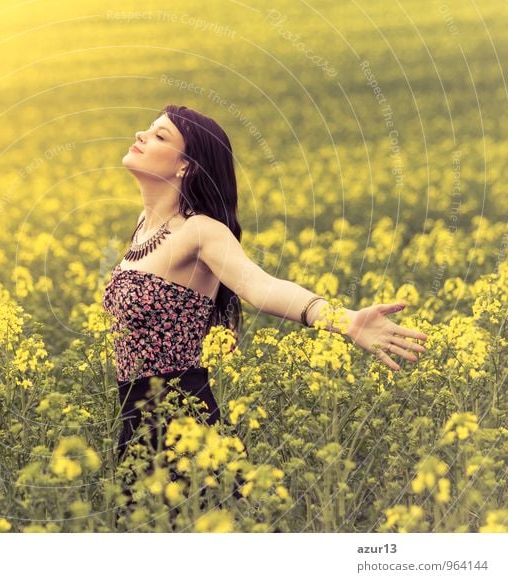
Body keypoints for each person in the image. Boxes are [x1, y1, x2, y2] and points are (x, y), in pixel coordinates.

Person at [101, 104, 429, 507]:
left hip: (180, 416)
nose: (141, 135)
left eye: (159, 136)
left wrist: (344, 321)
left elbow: (261, 287)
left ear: (185, 165)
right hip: (135, 417)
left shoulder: (201, 230)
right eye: (148, 130)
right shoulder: (143, 226)